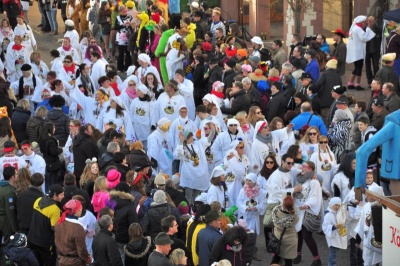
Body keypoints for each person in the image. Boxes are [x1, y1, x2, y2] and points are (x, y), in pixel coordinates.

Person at [28, 184, 64, 266]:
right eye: (61, 194)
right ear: (55, 195)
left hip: (32, 239)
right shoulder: (55, 209)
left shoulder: (38, 200)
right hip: (45, 244)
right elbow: (55, 228)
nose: (63, 196)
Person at [175, 130, 211, 204]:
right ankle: (187, 209)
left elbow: (207, 142)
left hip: (198, 175)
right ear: (185, 139)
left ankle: (193, 208)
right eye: (189, 137)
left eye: (191, 137)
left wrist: (213, 130)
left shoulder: (196, 145)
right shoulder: (183, 147)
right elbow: (179, 153)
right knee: (188, 195)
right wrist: (181, 142)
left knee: (196, 195)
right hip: (189, 174)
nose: (191, 139)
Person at [55, 199, 92, 265]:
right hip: (74, 262)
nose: (81, 209)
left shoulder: (59, 222)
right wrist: (88, 259)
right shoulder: (78, 227)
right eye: (80, 208)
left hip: (61, 260)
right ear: (75, 211)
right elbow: (82, 250)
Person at [346, 16, 376, 91]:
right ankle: (357, 84)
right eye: (364, 21)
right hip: (358, 51)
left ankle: (350, 83)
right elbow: (364, 38)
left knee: (356, 68)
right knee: (359, 68)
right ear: (361, 22)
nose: (365, 23)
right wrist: (368, 28)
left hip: (354, 51)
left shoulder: (354, 28)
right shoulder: (358, 29)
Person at [270, 195, 299, 266]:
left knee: (276, 260)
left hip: (278, 239)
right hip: (290, 241)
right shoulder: (294, 217)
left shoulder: (275, 212)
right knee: (288, 262)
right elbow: (296, 218)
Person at [322, 197, 348, 266]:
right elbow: (325, 227)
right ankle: (331, 264)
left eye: (339, 205)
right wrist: (334, 227)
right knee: (333, 253)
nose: (337, 207)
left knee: (334, 252)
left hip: (337, 236)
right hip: (333, 237)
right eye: (335, 205)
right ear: (331, 205)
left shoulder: (338, 213)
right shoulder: (328, 215)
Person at [0, 166, 18, 243]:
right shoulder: (9, 192)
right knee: (7, 242)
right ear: (12, 177)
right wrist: (15, 229)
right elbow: (10, 212)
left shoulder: (2, 187)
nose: (18, 176)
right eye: (16, 174)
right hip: (5, 221)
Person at [365, 16, 382, 85]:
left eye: (372, 21)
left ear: (374, 21)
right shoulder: (364, 29)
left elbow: (381, 40)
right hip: (367, 51)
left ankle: (376, 80)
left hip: (375, 50)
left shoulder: (378, 29)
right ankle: (369, 81)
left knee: (376, 66)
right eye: (369, 21)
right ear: (367, 21)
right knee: (368, 66)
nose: (370, 22)